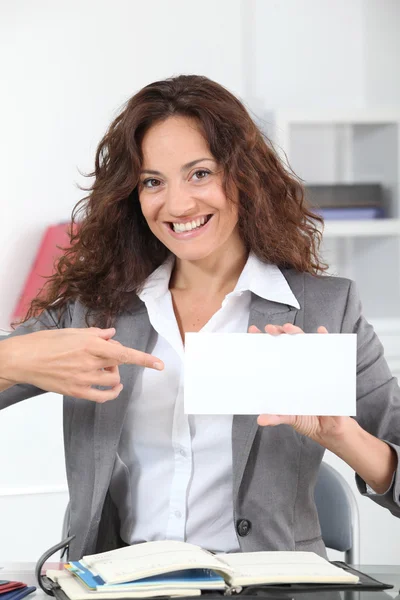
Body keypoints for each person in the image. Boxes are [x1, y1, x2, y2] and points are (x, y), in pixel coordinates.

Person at [1, 75, 399, 561]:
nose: (179, 204)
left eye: (200, 173)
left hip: (269, 590)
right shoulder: (96, 307)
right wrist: (13, 358)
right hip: (117, 583)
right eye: (153, 182)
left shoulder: (327, 308)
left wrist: (344, 435)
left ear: (243, 175)